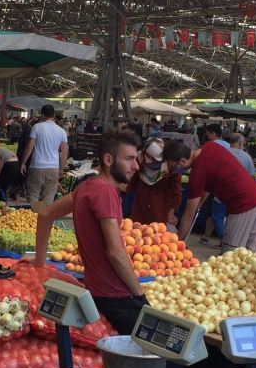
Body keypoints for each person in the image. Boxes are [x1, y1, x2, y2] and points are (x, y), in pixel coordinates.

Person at [32, 130, 147, 333]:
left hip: (95, 291)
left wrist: (39, 262)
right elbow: (115, 252)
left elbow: (45, 215)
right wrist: (138, 295)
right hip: (117, 296)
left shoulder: (85, 188)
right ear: (109, 159)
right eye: (129, 159)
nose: (136, 166)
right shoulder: (106, 191)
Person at [169, 139, 256, 252]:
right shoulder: (211, 145)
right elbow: (209, 182)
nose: (176, 170)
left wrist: (177, 245)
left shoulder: (197, 172)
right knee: (252, 254)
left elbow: (189, 214)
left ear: (182, 161)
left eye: (174, 167)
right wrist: (200, 202)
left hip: (243, 205)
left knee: (232, 255)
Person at [20, 104, 68, 211]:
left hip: (37, 166)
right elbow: (64, 151)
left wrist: (23, 162)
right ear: (54, 115)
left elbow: (29, 146)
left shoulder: (36, 127)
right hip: (53, 168)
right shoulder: (61, 131)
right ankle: (45, 221)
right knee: (49, 197)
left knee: (34, 194)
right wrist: (61, 168)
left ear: (42, 114)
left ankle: (34, 220)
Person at [127, 139, 182, 227]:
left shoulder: (171, 170)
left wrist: (172, 212)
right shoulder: (138, 164)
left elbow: (176, 195)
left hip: (159, 215)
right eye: (152, 159)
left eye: (159, 160)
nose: (155, 162)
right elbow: (128, 186)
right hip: (139, 212)